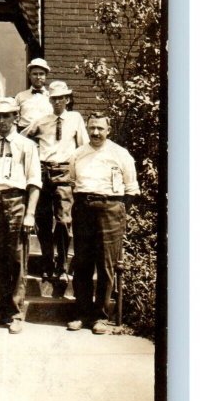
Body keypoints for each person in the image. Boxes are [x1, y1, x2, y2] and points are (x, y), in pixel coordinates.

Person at [67, 113, 140, 335]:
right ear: (87, 129)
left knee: (106, 265)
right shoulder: (78, 154)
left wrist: (112, 207)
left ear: (109, 130)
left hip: (111, 210)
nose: (96, 133)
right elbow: (72, 183)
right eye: (92, 128)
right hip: (83, 209)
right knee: (82, 263)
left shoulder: (121, 154)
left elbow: (131, 190)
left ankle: (100, 316)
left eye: (100, 128)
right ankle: (81, 313)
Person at [0, 98, 41, 334]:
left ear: (16, 117)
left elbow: (35, 181)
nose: (2, 121)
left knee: (17, 258)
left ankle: (16, 313)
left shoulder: (27, 146)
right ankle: (3, 307)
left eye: (7, 116)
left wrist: (30, 214)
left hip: (17, 201)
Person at [23, 80, 89, 282]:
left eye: (61, 98)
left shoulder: (75, 118)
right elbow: (22, 138)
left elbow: (83, 146)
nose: (58, 102)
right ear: (49, 100)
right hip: (43, 171)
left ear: (67, 99)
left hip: (64, 172)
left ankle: (62, 263)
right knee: (43, 221)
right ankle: (47, 262)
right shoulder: (42, 120)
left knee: (63, 220)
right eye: (54, 98)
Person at [14, 57, 53, 130]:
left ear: (46, 76)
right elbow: (14, 119)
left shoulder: (52, 97)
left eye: (41, 74)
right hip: (24, 135)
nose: (38, 77)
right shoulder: (20, 96)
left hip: (46, 134)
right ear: (29, 76)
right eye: (35, 74)